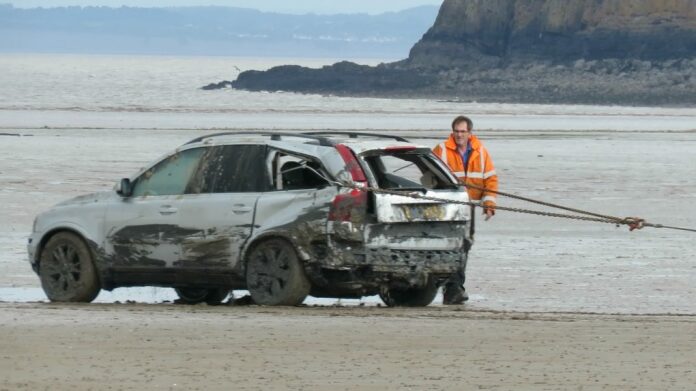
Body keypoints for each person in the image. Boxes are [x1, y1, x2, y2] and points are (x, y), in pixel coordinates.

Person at [433, 115, 498, 304]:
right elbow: (430, 175)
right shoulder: (442, 150)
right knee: (450, 246)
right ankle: (452, 288)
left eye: (463, 131)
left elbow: (491, 180)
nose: (460, 135)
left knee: (464, 245)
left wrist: (489, 204)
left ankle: (453, 287)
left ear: (470, 133)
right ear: (452, 132)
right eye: (457, 131)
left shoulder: (481, 152)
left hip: (468, 207)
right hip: (447, 207)